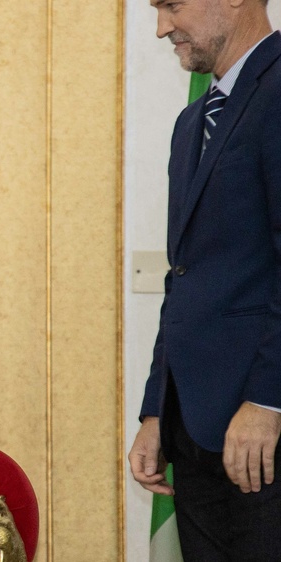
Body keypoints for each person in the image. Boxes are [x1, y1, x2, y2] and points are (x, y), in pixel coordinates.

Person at [128, 1, 281, 558]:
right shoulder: (191, 122)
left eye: (172, 5)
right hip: (191, 428)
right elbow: (185, 275)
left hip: (262, 431)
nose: (161, 28)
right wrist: (156, 410)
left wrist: (269, 401)